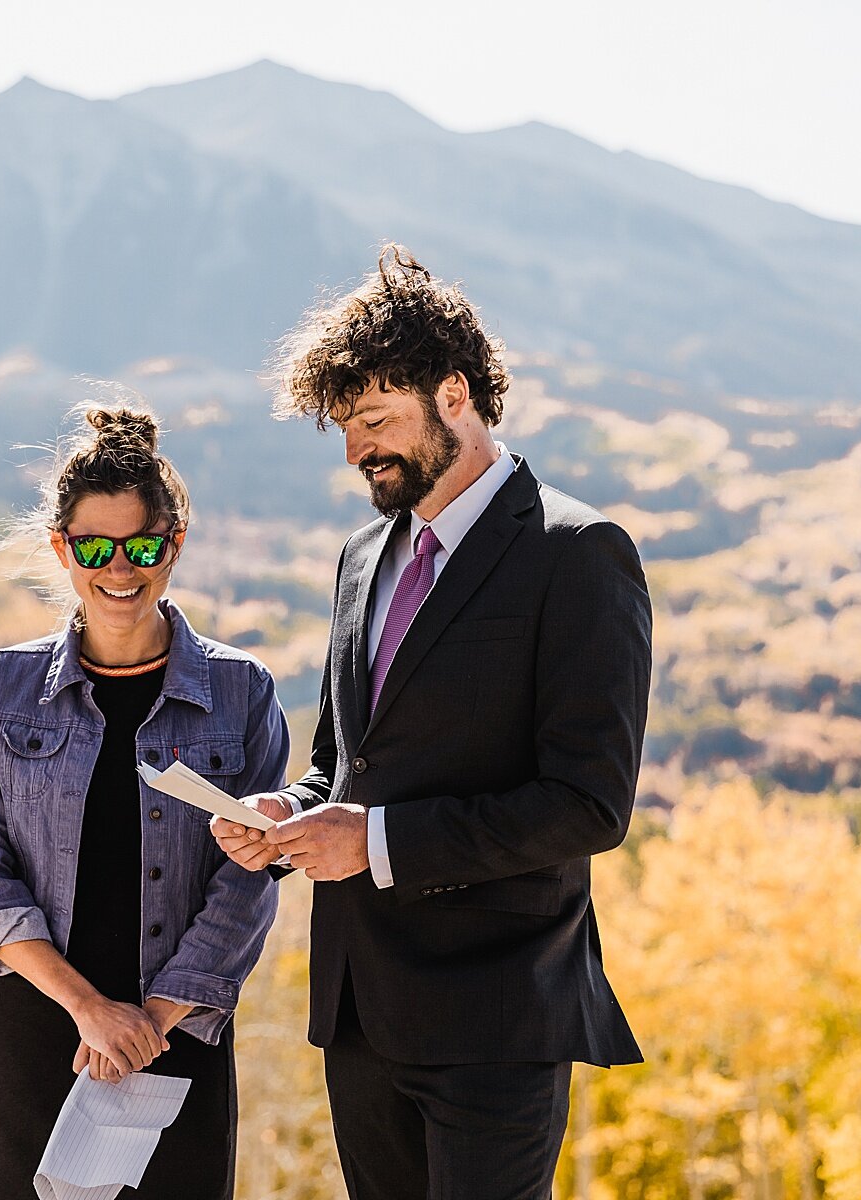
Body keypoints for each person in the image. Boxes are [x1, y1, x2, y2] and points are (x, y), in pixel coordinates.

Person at [212, 247, 651, 1200]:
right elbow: (343, 765)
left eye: (375, 420)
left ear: (455, 395)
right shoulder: (360, 555)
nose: (356, 450)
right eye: (343, 428)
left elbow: (588, 806)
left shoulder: (579, 555)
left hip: (498, 1014)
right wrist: (286, 813)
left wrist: (372, 839)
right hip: (361, 1008)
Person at [0, 403, 289, 1200]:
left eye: (142, 546)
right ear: (62, 547)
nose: (120, 570)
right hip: (40, 1027)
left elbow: (247, 887)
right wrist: (91, 1012)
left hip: (177, 1040)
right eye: (95, 547)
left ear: (173, 544)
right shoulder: (3, 689)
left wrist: (149, 1023)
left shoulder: (243, 694)